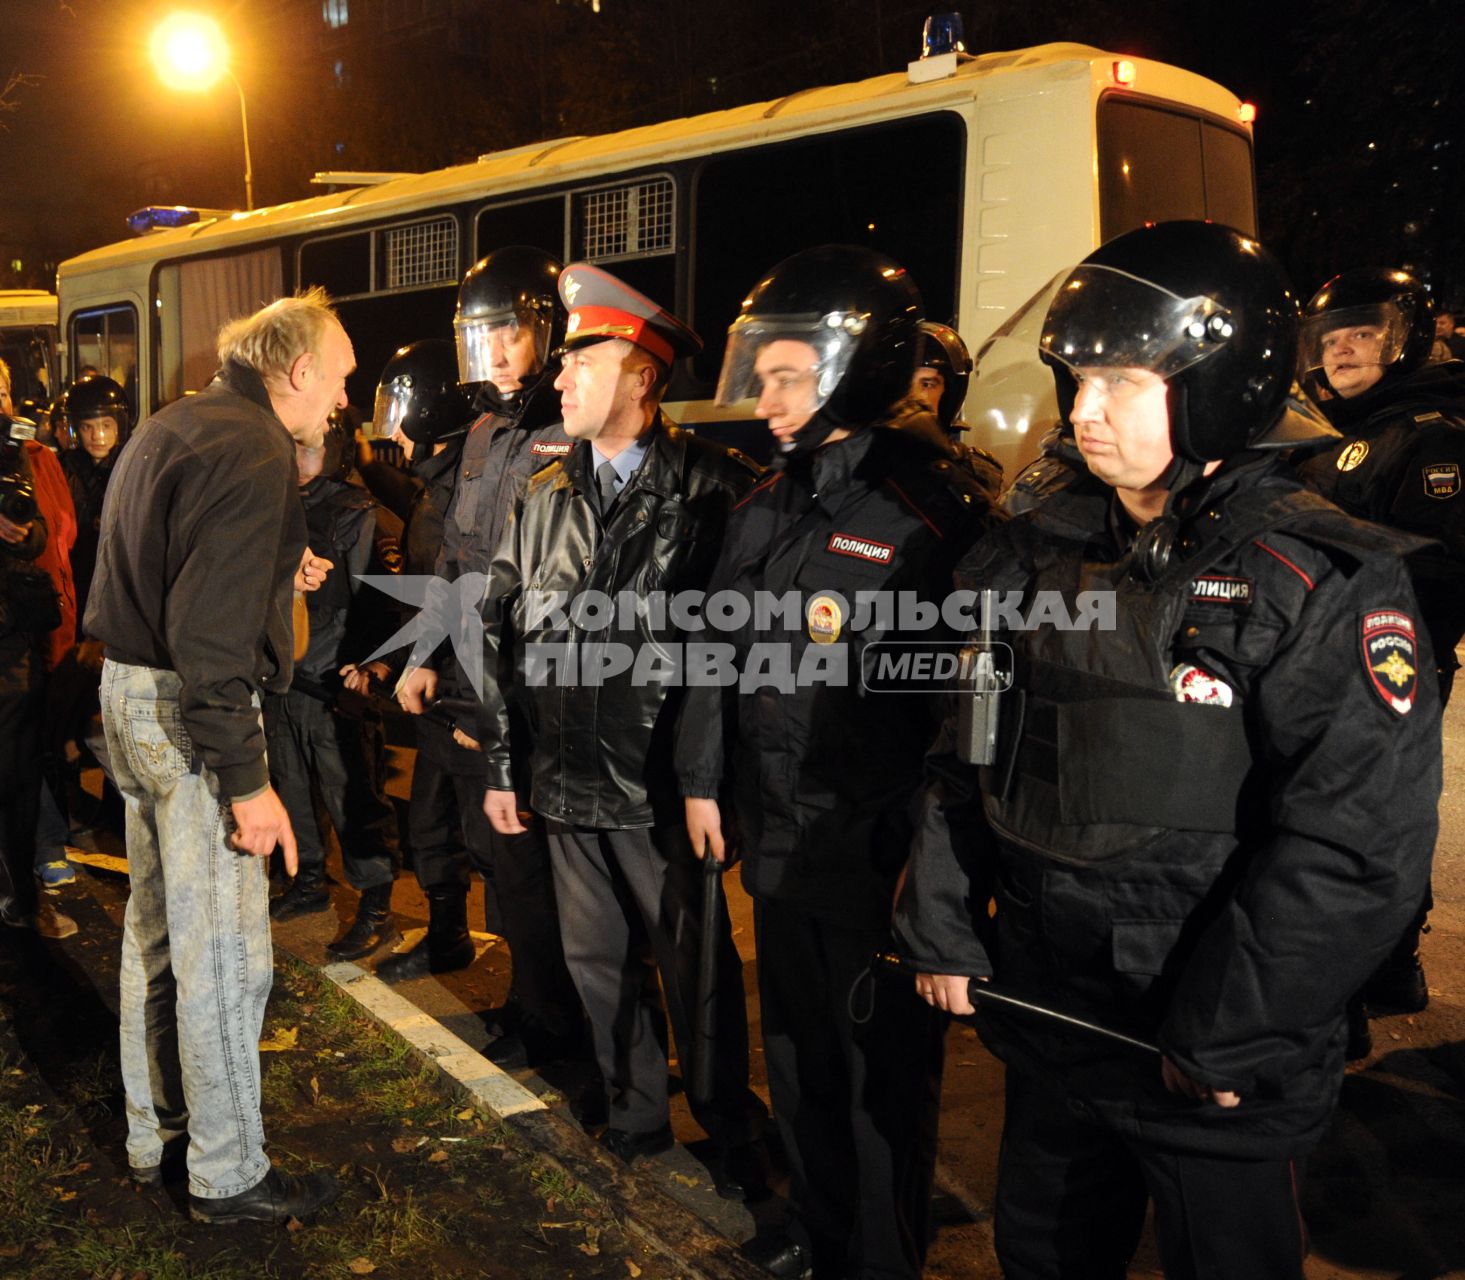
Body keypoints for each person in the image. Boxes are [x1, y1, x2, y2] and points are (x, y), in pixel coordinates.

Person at [894, 221, 1440, 1280]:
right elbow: (965, 753)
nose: (1084, 412)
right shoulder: (1034, 549)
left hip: (1206, 1054)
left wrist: (1231, 1029)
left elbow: (1354, 842)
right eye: (1076, 379)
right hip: (1055, 1016)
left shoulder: (1317, 577)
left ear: (1219, 382)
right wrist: (943, 926)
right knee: (1043, 1251)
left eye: (1122, 383)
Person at [676, 245, 995, 1280]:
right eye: (758, 373)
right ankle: (818, 1239)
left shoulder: (933, 513)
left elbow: (963, 724)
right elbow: (716, 654)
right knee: (800, 1062)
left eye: (784, 374)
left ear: (856, 365)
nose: (763, 397)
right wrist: (701, 778)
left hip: (872, 861)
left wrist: (937, 881)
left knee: (877, 1089)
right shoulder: (769, 496)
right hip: (778, 841)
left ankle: (878, 1259)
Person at [478, 263, 764, 1193]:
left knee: (698, 978)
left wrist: (708, 780)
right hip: (564, 787)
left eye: (579, 360)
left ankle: (730, 1130)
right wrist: (502, 764)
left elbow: (733, 657)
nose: (556, 380)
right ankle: (635, 1115)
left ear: (641, 373)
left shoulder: (717, 491)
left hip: (659, 791)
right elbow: (498, 633)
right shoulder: (543, 493)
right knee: (598, 968)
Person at [85, 289, 345, 1224]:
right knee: (226, 955)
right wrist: (250, 783)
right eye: (342, 376)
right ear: (299, 369)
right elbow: (208, 638)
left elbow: (174, 571)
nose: (345, 399)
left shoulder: (181, 421)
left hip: (128, 695)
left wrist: (276, 573)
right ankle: (228, 1173)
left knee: (154, 935)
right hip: (192, 715)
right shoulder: (253, 446)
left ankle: (155, 1135)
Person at [394, 247, 584, 1066]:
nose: (497, 350)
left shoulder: (571, 428)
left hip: (548, 684)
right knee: (502, 854)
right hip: (481, 679)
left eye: (510, 330)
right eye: (483, 334)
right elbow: (454, 559)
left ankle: (566, 1023)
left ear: (546, 330)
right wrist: (424, 653)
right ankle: (530, 1004)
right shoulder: (481, 435)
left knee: (549, 863)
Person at [1294, 266, 1465, 1024]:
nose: (1342, 350)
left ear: (1403, 339)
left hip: (1390, 665)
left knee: (1378, 820)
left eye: (1362, 334)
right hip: (1322, 661)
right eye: (1331, 338)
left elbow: (1429, 573)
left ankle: (1386, 966)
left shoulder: (1428, 436)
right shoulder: (1339, 430)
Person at [353, 339, 484, 981]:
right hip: (438, 691)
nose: (394, 438)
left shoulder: (469, 484)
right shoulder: (436, 485)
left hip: (466, 694)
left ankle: (541, 998)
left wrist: (456, 689)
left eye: (401, 417)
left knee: (490, 842)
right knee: (432, 824)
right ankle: (448, 937)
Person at [264, 413, 403, 959]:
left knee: (354, 797)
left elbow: (389, 607)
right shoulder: (271, 503)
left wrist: (373, 671)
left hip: (335, 684)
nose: (298, 461)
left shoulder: (360, 515)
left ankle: (377, 907)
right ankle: (308, 883)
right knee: (292, 789)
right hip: (284, 680)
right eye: (291, 448)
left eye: (310, 449)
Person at [0, 411, 75, 938]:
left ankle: (24, 898)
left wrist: (23, 531)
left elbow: (39, 530)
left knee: (19, 775)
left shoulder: (14, 452)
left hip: (10, 646)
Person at [911, 319, 1004, 500]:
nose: (912, 396)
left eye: (927, 384)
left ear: (948, 394)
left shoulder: (978, 475)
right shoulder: (854, 463)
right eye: (904, 383)